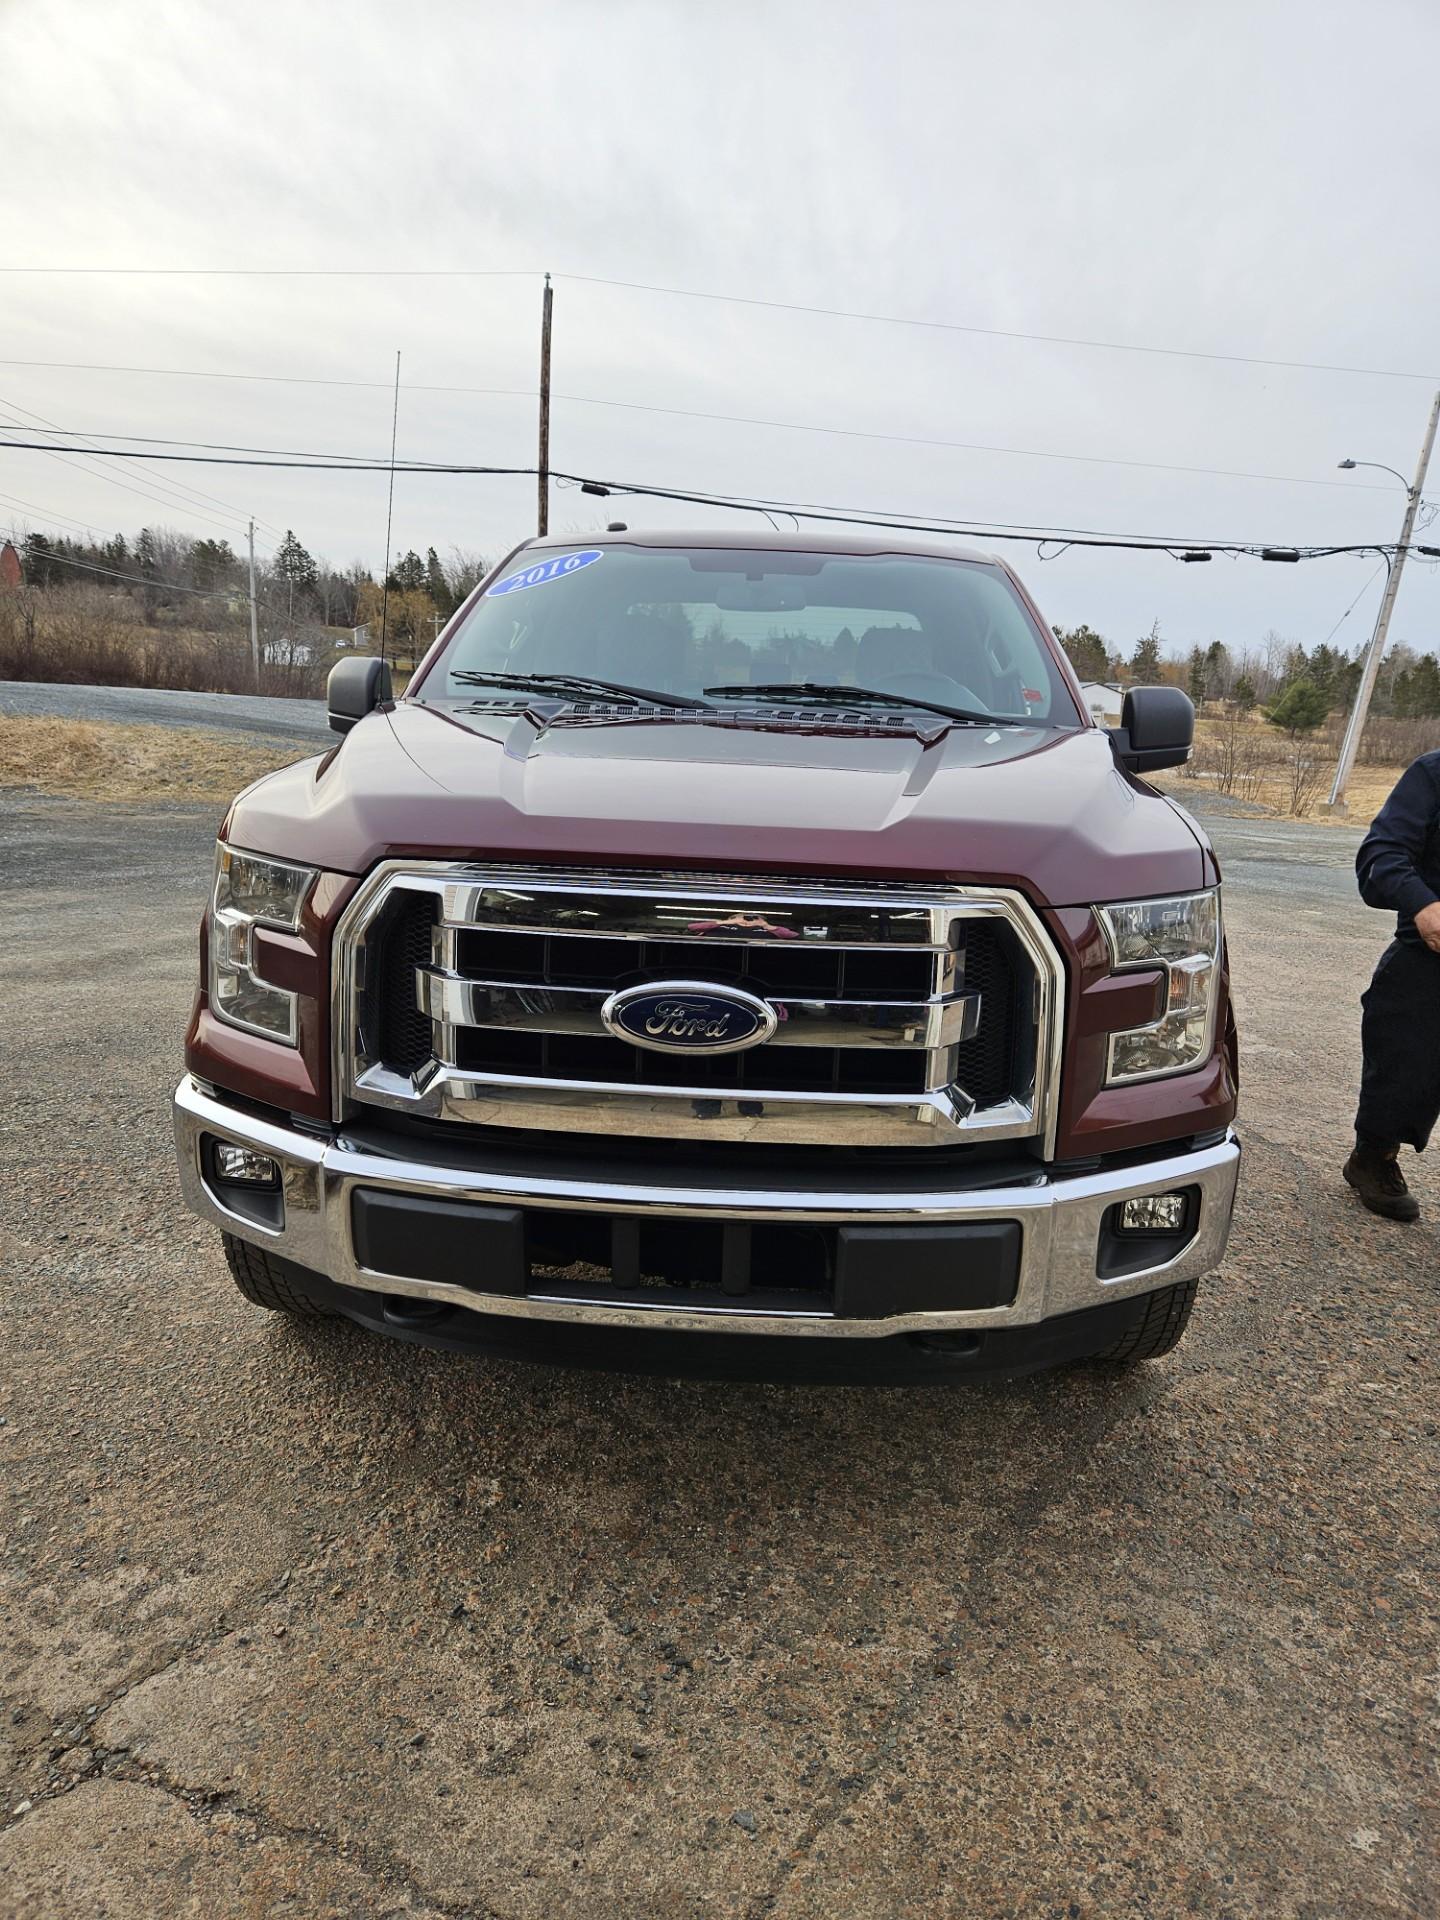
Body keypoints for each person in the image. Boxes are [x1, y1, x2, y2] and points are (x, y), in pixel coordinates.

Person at [1345, 750, 1440, 1220]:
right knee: (1405, 1055)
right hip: (1431, 953)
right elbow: (1381, 856)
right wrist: (1423, 905)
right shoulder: (1431, 775)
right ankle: (1374, 1155)